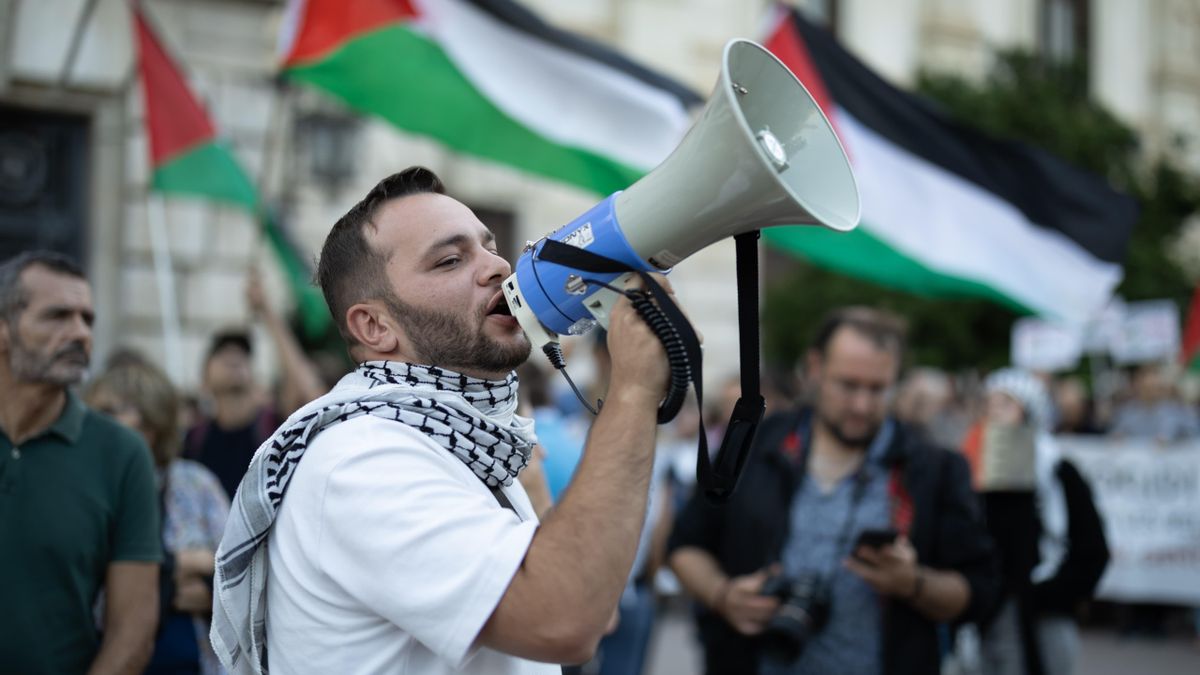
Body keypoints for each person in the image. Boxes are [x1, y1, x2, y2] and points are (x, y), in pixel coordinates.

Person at [209, 167, 681, 674]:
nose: (499, 266)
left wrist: (541, 507)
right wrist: (632, 390)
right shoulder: (363, 462)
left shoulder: (475, 443)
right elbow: (566, 620)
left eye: (490, 245)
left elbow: (599, 603)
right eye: (451, 260)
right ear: (374, 325)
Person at [668, 306, 1000, 675]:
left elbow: (978, 592)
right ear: (814, 368)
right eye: (848, 385)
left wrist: (912, 583)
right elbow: (685, 545)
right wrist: (724, 596)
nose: (862, 405)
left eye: (877, 389)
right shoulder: (758, 443)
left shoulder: (934, 468)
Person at [0, 251, 161, 673]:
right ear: (4, 329)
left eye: (87, 319)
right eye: (57, 316)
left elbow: (133, 631)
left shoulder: (122, 454)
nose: (80, 334)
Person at [86, 354, 232, 675]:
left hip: (192, 658)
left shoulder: (194, 483)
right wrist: (183, 566)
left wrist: (203, 583)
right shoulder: (83, 485)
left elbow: (241, 565)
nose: (104, 426)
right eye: (101, 413)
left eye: (118, 411)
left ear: (154, 424)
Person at [962, 369, 1109, 675]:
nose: (993, 413)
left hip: (1043, 612)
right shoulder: (971, 470)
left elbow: (1091, 547)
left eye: (1004, 405)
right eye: (988, 404)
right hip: (990, 614)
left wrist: (1048, 595)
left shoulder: (1057, 469)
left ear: (1029, 410)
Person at [184, 270, 326, 499]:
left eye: (242, 354)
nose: (234, 357)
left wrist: (267, 312)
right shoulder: (192, 440)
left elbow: (311, 393)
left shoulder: (273, 427)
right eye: (222, 353)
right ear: (203, 381)